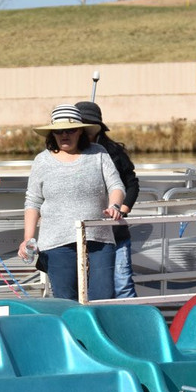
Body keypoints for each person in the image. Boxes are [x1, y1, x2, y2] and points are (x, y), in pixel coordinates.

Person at [19, 104, 125, 301]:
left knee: (103, 298)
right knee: (66, 300)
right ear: (52, 134)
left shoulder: (99, 153)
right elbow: (32, 201)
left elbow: (116, 186)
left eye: (71, 130)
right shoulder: (41, 161)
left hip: (99, 239)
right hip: (56, 243)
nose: (64, 135)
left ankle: (96, 333)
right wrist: (28, 238)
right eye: (59, 131)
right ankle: (71, 333)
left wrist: (115, 206)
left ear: (81, 132)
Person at [76, 100, 141, 299]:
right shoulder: (70, 155)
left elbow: (131, 183)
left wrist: (123, 208)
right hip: (86, 233)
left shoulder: (114, 152)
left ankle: (130, 324)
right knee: (89, 284)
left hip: (115, 229)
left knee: (123, 283)